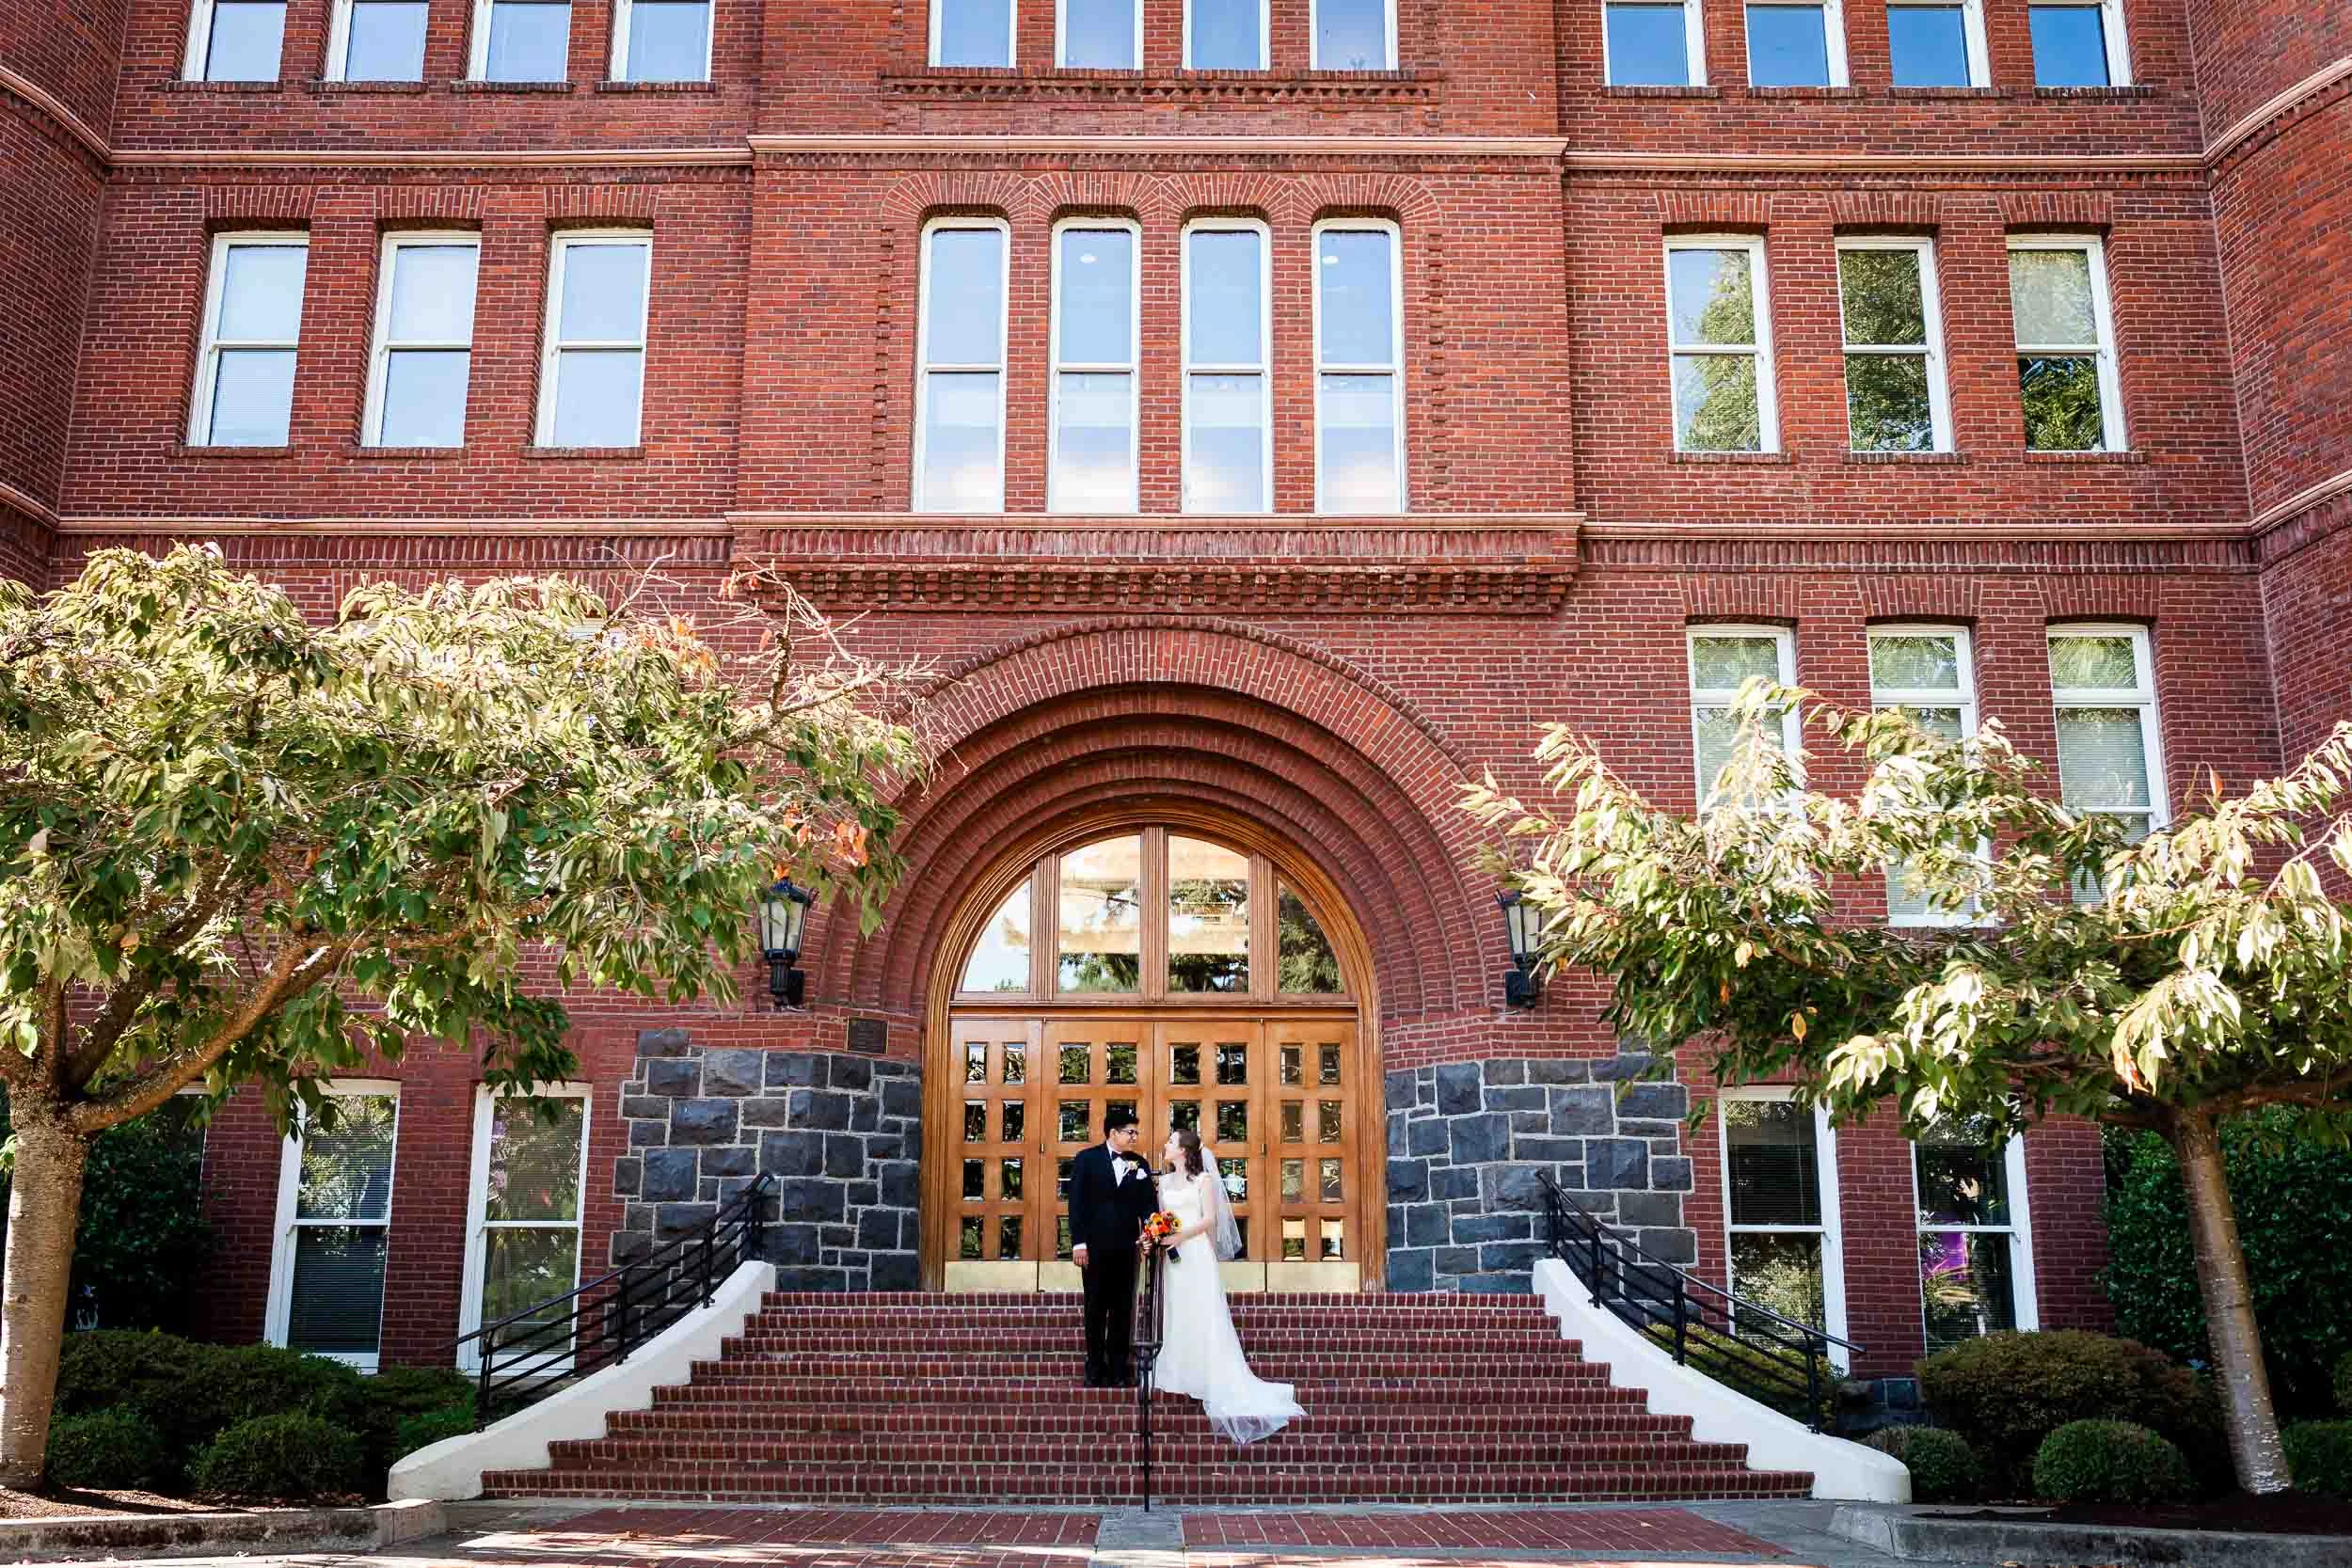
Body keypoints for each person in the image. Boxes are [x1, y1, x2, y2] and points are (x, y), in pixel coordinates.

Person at [1148, 1125, 1304, 1444]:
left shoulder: (1203, 1181)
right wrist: (1158, 1234)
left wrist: (1179, 1235)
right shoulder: (1163, 1183)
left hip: (1196, 1254)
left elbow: (1209, 1221)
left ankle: (1210, 1373)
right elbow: (1163, 1216)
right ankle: (1178, 1371)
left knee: (1203, 1311)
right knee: (1178, 1311)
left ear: (1185, 1150)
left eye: (1171, 1141)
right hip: (1174, 1256)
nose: (1166, 1144)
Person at [1068, 1104, 1158, 1387]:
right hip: (1093, 1249)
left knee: (1122, 1308)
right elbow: (1076, 1205)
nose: (1135, 1137)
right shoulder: (1086, 1160)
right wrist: (1079, 1243)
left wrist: (1149, 1234)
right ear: (1113, 1133)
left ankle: (1119, 1368)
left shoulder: (1140, 1165)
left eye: (1136, 1132)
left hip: (1126, 1248)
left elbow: (1148, 1206)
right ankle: (1094, 1367)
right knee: (1095, 1307)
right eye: (1130, 1132)